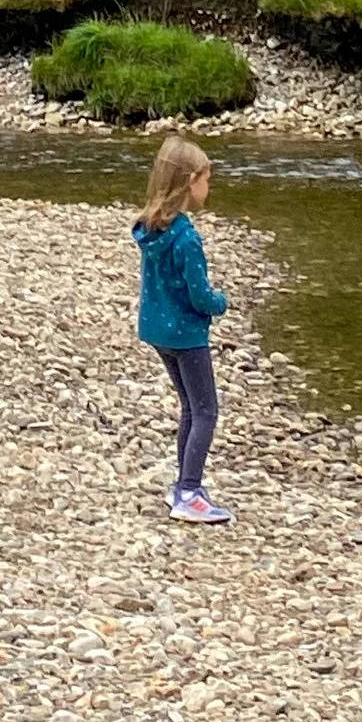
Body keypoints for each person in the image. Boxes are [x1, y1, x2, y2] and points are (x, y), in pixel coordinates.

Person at [133, 130, 230, 524]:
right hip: (187, 335)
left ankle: (185, 486)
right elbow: (199, 295)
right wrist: (220, 302)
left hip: (158, 331)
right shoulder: (186, 238)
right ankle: (189, 491)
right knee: (206, 411)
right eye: (207, 179)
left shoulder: (152, 229)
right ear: (191, 182)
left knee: (189, 407)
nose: (209, 186)